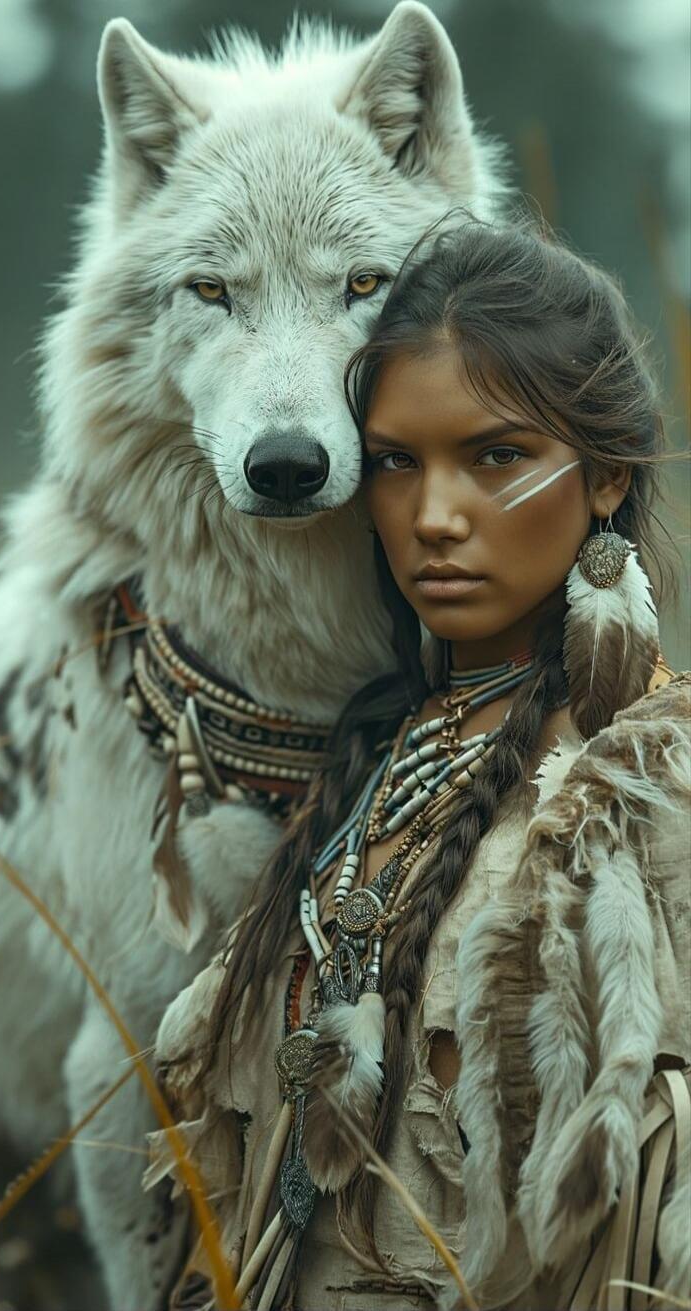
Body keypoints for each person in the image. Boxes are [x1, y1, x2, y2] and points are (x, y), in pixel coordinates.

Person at [148, 219, 690, 1311]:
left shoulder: (652, 787)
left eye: (495, 456)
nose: (433, 518)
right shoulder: (364, 761)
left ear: (603, 477)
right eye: (395, 463)